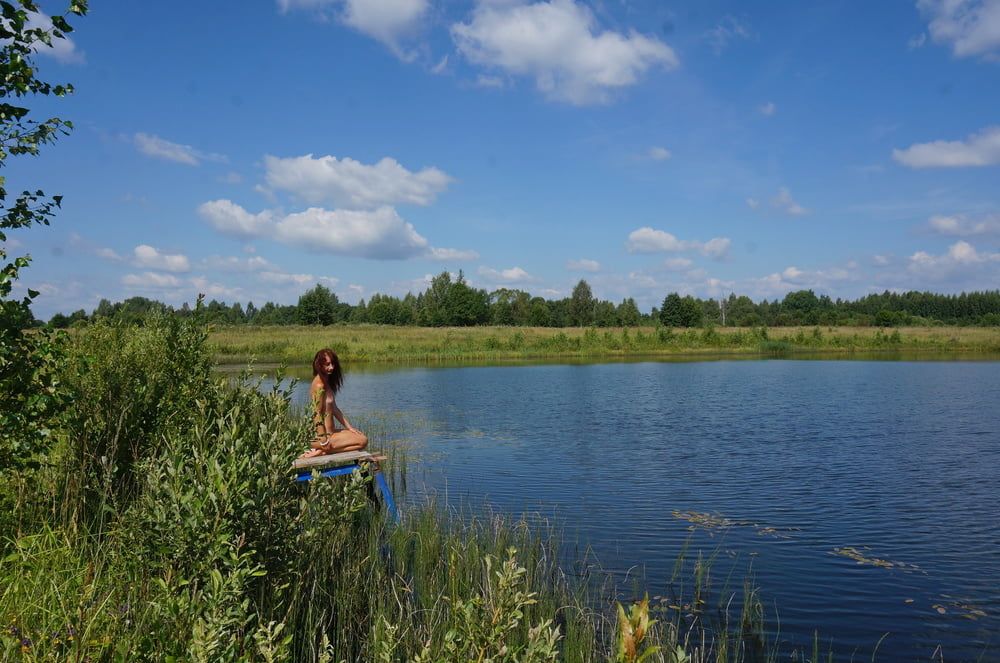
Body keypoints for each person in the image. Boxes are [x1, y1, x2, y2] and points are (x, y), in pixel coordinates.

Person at [297, 348, 368, 460]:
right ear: (319, 365)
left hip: (332, 433)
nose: (331, 367)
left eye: (333, 364)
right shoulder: (319, 385)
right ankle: (323, 450)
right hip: (322, 436)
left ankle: (325, 451)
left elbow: (334, 409)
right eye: (327, 364)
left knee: (361, 438)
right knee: (362, 441)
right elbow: (317, 414)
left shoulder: (326, 382)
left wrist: (350, 428)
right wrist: (323, 440)